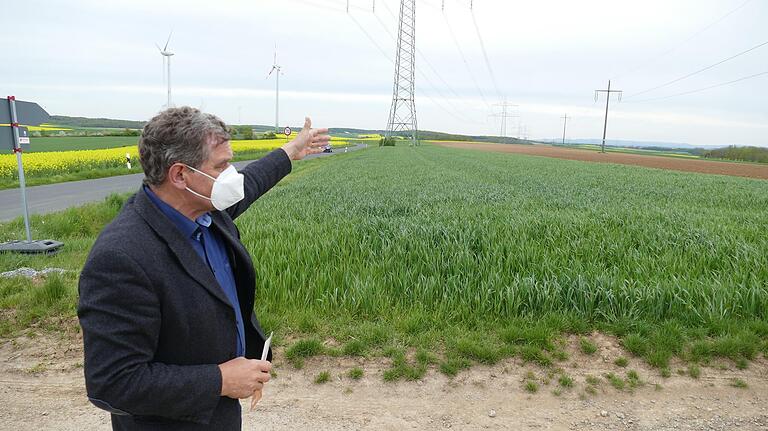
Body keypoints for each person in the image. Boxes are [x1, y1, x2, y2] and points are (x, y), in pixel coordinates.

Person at [77, 107, 330, 430]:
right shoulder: (122, 258)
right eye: (221, 166)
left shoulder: (204, 212)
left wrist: (291, 151)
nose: (231, 176)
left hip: (218, 415)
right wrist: (219, 381)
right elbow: (112, 383)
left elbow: (249, 183)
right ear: (180, 175)